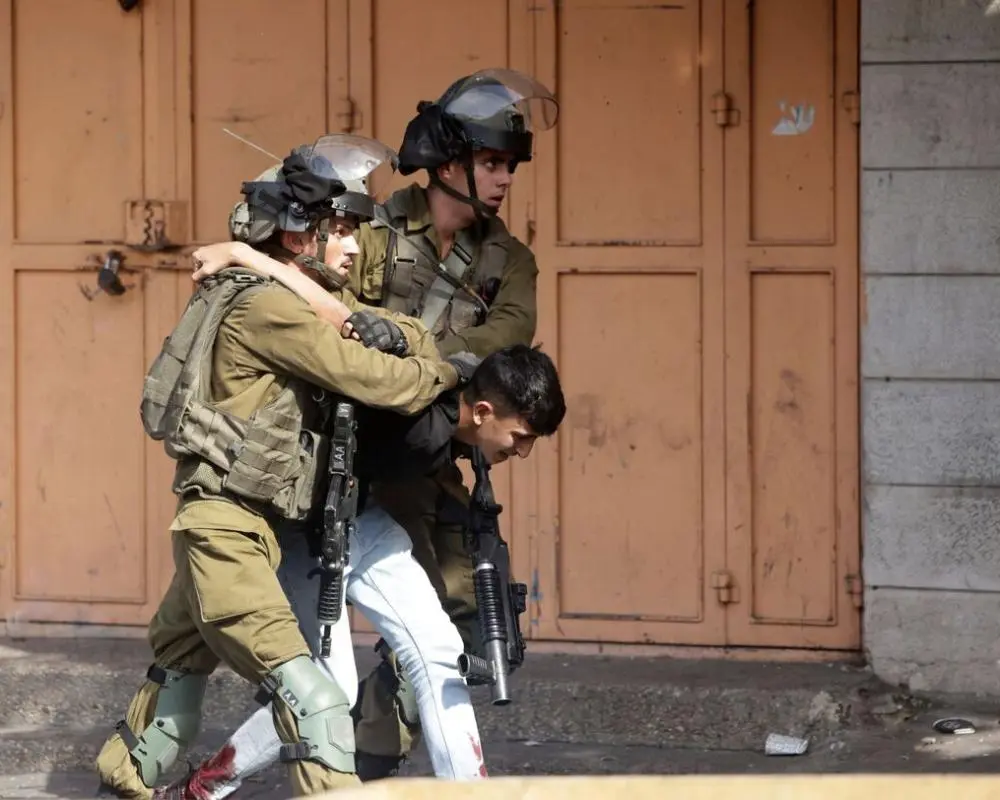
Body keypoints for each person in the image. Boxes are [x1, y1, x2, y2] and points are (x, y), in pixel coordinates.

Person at [208, 68, 561, 780]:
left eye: (510, 166)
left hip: (422, 455)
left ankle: (366, 753)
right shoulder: (366, 224)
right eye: (492, 162)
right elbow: (317, 300)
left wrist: (406, 354)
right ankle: (170, 767)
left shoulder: (508, 259)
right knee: (254, 650)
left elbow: (505, 339)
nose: (504, 179)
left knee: (467, 628)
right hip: (332, 455)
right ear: (449, 165)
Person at [94, 137, 473, 800]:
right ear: (300, 236)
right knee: (316, 703)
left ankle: (120, 784)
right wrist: (443, 373)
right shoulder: (268, 309)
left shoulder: (283, 295)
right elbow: (384, 381)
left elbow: (400, 332)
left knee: (173, 693)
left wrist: (399, 336)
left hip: (243, 529)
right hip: (228, 537)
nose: (354, 246)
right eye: (341, 230)